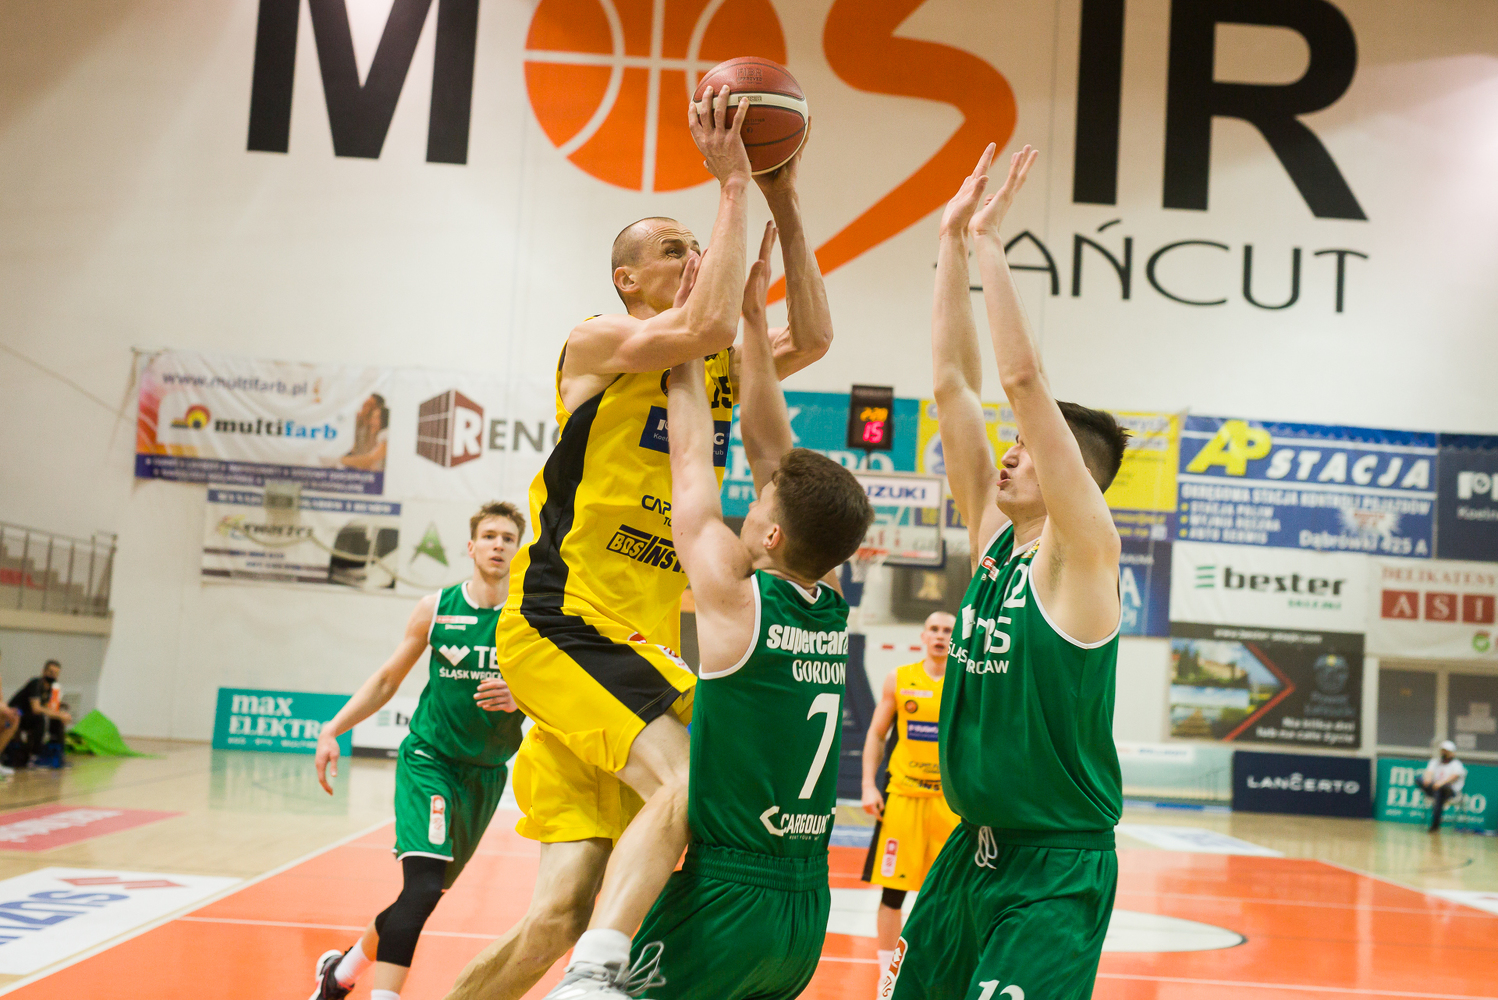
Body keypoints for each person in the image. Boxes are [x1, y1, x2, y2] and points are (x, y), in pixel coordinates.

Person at [443, 86, 834, 1000]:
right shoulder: (598, 341)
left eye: (697, 247)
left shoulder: (715, 367)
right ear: (627, 279)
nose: (693, 256)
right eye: (672, 249)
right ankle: (604, 971)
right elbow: (701, 324)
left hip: (635, 652)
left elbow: (813, 334)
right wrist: (731, 185)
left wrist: (782, 196)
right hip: (563, 622)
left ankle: (580, 957)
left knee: (555, 917)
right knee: (697, 779)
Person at [883, 144, 1130, 1000]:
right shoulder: (996, 540)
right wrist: (949, 244)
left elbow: (1022, 379)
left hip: (1055, 864)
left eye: (1027, 446)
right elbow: (955, 385)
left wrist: (991, 241)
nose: (1010, 453)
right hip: (970, 850)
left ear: (1073, 476)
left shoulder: (1081, 557)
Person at [625, 220, 873, 1000]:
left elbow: (690, 460)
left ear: (770, 535)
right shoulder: (828, 604)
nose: (753, 497)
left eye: (760, 503)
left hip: (729, 893)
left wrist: (688, 341)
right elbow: (774, 455)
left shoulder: (738, 601)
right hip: (803, 910)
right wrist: (755, 328)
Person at [307, 502, 528, 1000]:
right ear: (471, 547)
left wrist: (523, 696)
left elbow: (557, 689)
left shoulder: (529, 619)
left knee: (421, 895)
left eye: (508, 538)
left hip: (486, 774)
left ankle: (338, 976)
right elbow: (388, 679)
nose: (498, 545)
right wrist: (333, 729)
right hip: (431, 761)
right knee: (423, 889)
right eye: (489, 536)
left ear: (519, 550)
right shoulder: (437, 608)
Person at [859, 611, 959, 979]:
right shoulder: (899, 679)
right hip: (903, 797)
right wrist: (868, 785)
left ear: (956, 638)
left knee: (949, 894)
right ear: (923, 636)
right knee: (892, 893)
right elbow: (876, 734)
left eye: (947, 630)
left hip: (950, 803)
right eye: (934, 629)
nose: (940, 636)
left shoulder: (965, 683)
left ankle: (937, 973)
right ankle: (887, 977)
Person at [7, 659, 71, 769]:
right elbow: (36, 708)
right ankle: (34, 758)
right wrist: (59, 714)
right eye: (51, 672)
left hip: (29, 717)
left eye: (56, 673)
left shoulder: (52, 689)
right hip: (15, 715)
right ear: (44, 671)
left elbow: (49, 708)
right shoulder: (35, 683)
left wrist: (62, 715)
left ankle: (57, 754)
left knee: (57, 720)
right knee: (39, 719)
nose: (53, 675)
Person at [1417, 740, 1467, 832]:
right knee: (1419, 779)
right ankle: (1435, 824)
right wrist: (1428, 779)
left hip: (1450, 792)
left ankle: (1435, 825)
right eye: (1443, 750)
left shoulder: (1457, 764)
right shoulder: (1435, 761)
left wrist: (1440, 783)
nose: (1444, 753)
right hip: (1434, 789)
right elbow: (1429, 772)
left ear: (1452, 753)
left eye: (1446, 751)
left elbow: (1454, 777)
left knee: (1440, 791)